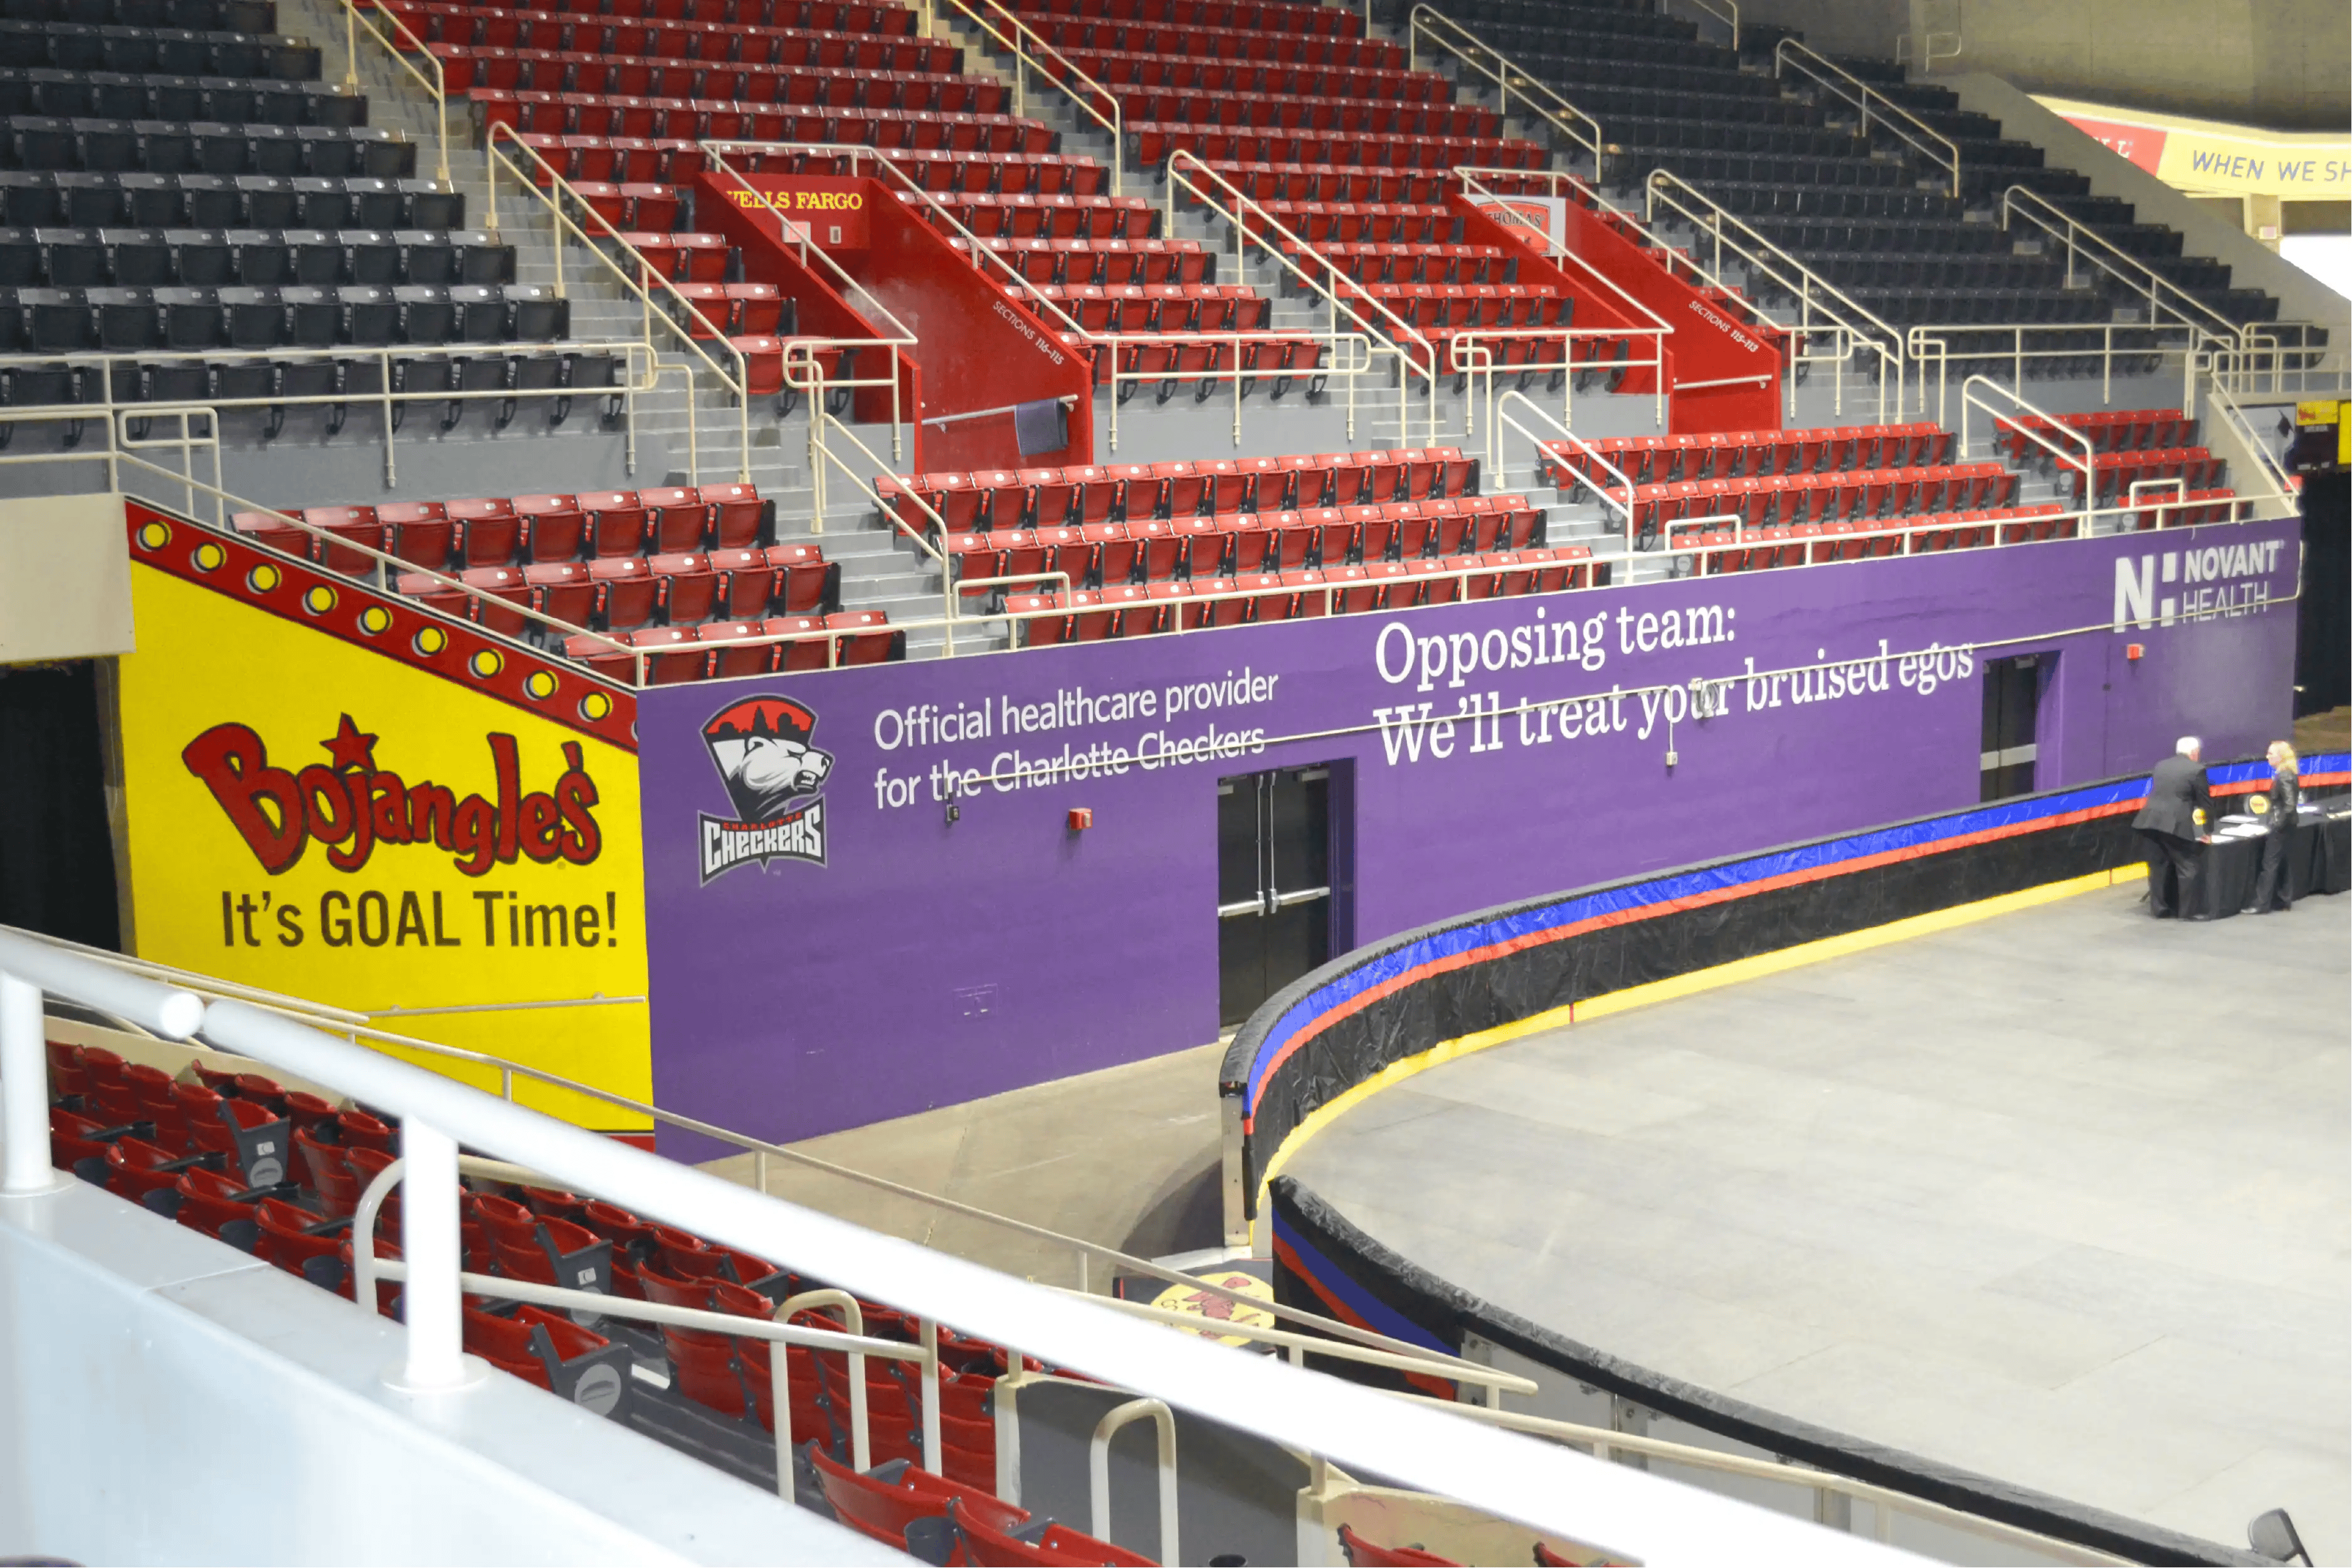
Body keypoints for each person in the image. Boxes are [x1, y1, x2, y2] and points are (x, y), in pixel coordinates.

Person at [2133, 736, 2212, 918]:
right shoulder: (2197, 769)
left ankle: (2158, 909)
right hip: (2176, 824)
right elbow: (2204, 803)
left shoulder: (2161, 765)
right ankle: (2187, 912)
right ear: (2194, 752)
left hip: (2149, 821)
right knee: (2188, 866)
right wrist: (2205, 831)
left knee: (2158, 866)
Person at [2244, 740, 2301, 914]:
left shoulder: (2284, 776)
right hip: (2288, 824)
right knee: (2282, 862)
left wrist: (2277, 825)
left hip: (2281, 826)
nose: (2267, 756)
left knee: (2269, 864)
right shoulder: (2288, 773)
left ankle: (2261, 904)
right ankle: (2284, 900)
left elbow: (2290, 805)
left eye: (2271, 753)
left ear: (2281, 757)